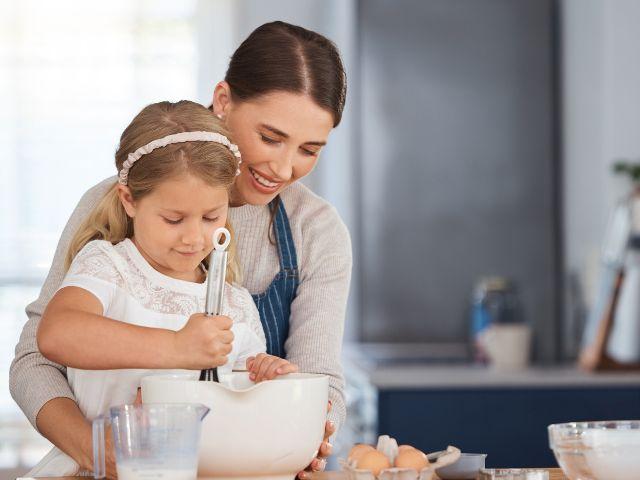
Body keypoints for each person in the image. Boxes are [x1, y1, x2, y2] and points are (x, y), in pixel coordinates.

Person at [10, 20, 351, 479]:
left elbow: (315, 382)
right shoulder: (118, 205)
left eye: (310, 149)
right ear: (224, 101)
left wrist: (307, 426)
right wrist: (99, 452)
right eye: (270, 138)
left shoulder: (313, 234)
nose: (284, 167)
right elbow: (38, 355)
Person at [27, 100, 298, 477]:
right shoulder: (108, 265)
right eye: (173, 219)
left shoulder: (234, 305)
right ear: (129, 200)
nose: (193, 237)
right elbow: (57, 334)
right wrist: (176, 348)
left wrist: (262, 376)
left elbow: (235, 402)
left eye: (211, 217)